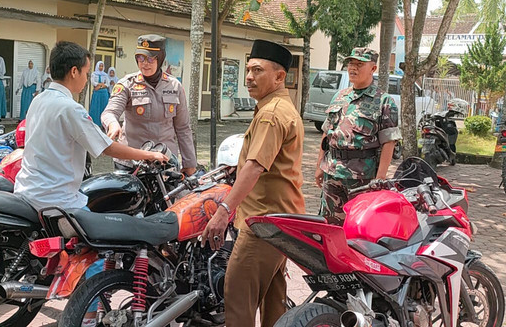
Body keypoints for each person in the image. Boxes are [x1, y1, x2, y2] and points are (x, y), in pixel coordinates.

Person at [13, 41, 168, 326]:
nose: (87, 80)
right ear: (73, 72)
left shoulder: (39, 99)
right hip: (57, 199)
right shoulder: (69, 108)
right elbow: (106, 147)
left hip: (29, 190)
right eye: (85, 73)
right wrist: (149, 155)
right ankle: (88, 309)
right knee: (109, 241)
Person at [201, 39, 304, 327]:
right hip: (281, 221)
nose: (249, 77)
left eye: (257, 70)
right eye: (248, 69)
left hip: (262, 223)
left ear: (279, 76)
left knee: (238, 301)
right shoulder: (278, 106)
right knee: (274, 304)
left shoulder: (271, 114)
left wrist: (224, 211)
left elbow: (255, 166)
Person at [314, 47, 401, 223]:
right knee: (329, 225)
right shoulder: (340, 96)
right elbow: (327, 132)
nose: (353, 68)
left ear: (373, 69)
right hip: (332, 172)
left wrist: (380, 178)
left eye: (359, 64)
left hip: (363, 178)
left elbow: (388, 142)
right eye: (351, 64)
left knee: (358, 226)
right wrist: (319, 165)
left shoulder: (384, 101)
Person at [101, 34, 197, 176]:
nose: (145, 63)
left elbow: (183, 128)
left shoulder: (174, 86)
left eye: (151, 58)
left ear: (160, 59)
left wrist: (189, 163)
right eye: (141, 58)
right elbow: (109, 112)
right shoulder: (127, 84)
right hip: (131, 163)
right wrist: (113, 124)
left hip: (165, 162)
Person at [88, 61, 110, 128]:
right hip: (97, 93)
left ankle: (104, 124)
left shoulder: (105, 75)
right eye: (100, 66)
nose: (101, 67)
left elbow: (107, 84)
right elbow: (93, 82)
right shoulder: (94, 74)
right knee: (95, 108)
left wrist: (100, 86)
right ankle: (95, 124)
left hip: (104, 93)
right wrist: (101, 84)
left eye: (102, 66)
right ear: (97, 66)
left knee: (104, 108)